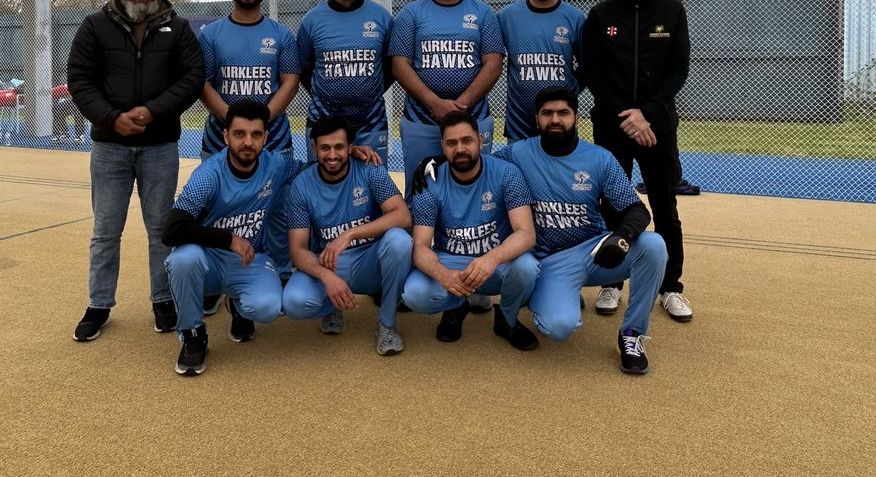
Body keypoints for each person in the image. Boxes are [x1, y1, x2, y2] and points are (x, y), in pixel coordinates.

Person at [67, 0, 205, 342]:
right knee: (106, 229)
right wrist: (112, 118)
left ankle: (163, 300)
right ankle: (99, 304)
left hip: (160, 144)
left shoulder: (177, 29)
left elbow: (192, 78)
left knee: (161, 229)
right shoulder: (95, 26)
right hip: (110, 146)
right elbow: (79, 79)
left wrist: (151, 111)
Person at [494, 88, 667, 375]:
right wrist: (437, 161)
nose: (555, 120)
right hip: (548, 261)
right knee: (558, 328)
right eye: (547, 113)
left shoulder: (598, 158)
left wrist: (622, 236)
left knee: (654, 246)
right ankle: (543, 292)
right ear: (537, 119)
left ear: (575, 118)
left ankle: (632, 334)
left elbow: (637, 210)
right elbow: (477, 166)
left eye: (563, 113)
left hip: (592, 253)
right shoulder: (518, 153)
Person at [580, 0, 693, 322]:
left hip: (657, 126)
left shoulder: (672, 10)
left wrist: (647, 114)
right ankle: (612, 281)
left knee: (664, 204)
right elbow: (593, 72)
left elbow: (679, 69)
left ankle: (671, 286)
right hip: (613, 127)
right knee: (612, 203)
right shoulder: (600, 15)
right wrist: (627, 117)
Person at [197, 0, 300, 308]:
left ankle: (281, 272)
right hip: (220, 139)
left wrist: (261, 122)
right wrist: (234, 123)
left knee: (277, 210)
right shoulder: (211, 34)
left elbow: (290, 81)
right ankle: (212, 282)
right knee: (214, 210)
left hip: (273, 139)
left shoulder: (281, 34)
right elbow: (203, 83)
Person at [162, 101, 289, 376]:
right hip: (208, 259)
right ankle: (193, 334)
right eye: (239, 134)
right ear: (225, 136)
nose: (248, 142)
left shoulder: (276, 164)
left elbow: (315, 171)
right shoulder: (208, 176)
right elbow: (171, 229)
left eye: (256, 135)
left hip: (249, 260)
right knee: (183, 259)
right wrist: (228, 238)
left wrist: (352, 153)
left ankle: (238, 305)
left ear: (266, 138)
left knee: (268, 307)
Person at [403, 110, 539, 350]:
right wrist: (442, 274)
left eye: (466, 141)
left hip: (495, 260)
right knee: (414, 294)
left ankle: (507, 319)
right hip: (451, 259)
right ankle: (454, 307)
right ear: (442, 147)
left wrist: (491, 258)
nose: (460, 149)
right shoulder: (429, 181)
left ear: (480, 141)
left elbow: (526, 233)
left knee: (527, 267)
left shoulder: (506, 173)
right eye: (452, 143)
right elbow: (420, 246)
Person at [284, 115, 412, 356]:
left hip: (370, 260)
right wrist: (326, 277)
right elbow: (298, 249)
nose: (332, 155)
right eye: (325, 148)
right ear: (314, 149)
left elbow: (403, 216)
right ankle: (332, 305)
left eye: (339, 147)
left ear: (350, 147)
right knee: (294, 302)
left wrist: (350, 234)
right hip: (331, 263)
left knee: (399, 241)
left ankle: (387, 323)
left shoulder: (369, 167)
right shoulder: (302, 184)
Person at [389, 0, 504, 194]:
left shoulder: (483, 13)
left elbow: (493, 63)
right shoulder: (411, 13)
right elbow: (399, 65)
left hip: (474, 118)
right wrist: (434, 103)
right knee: (421, 189)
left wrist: (460, 106)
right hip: (421, 119)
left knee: (476, 191)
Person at [296, 0, 393, 165]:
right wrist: (327, 94)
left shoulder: (382, 17)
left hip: (371, 119)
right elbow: (303, 69)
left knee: (373, 183)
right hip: (323, 118)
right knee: (323, 185)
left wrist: (368, 92)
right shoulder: (311, 20)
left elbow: (391, 66)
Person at [498, 0, 584, 141]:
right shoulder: (507, 16)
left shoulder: (575, 18)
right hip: (519, 126)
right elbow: (491, 58)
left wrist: (568, 92)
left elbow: (588, 66)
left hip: (561, 126)